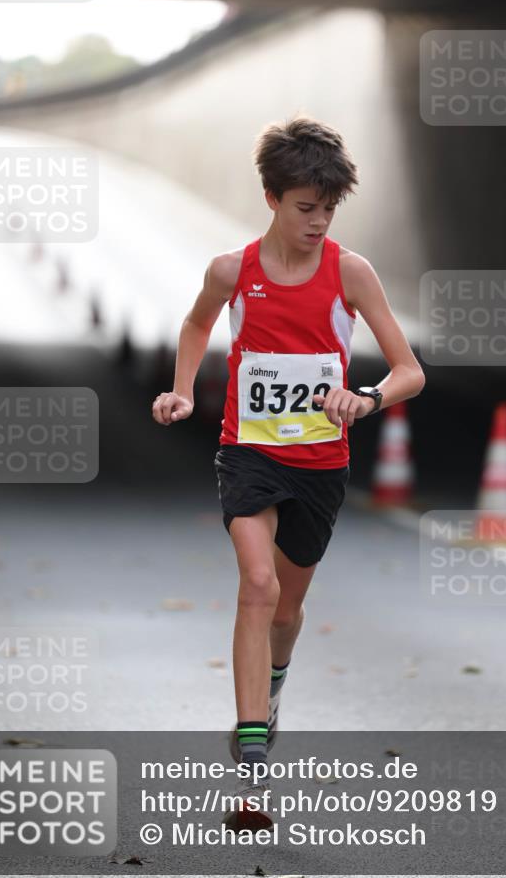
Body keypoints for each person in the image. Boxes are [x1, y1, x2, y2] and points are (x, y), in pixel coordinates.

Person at [151, 116, 425, 832]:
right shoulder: (231, 271)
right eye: (306, 207)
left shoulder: (349, 272)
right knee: (257, 582)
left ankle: (271, 689)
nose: (318, 221)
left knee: (286, 611)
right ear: (272, 198)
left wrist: (363, 398)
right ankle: (249, 765)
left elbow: (409, 371)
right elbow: (195, 324)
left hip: (319, 464)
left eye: (328, 209)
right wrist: (183, 388)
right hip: (247, 451)